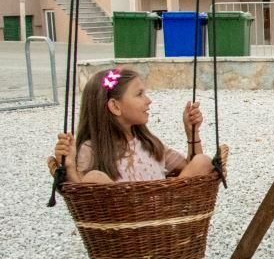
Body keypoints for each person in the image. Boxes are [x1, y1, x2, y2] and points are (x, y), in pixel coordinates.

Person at [52, 68, 213, 184]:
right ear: (115, 106)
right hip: (122, 217)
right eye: (139, 94)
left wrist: (192, 133)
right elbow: (80, 196)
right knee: (93, 178)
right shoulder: (91, 149)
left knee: (202, 161)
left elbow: (192, 168)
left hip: (163, 211)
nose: (148, 100)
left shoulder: (149, 144)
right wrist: (69, 167)